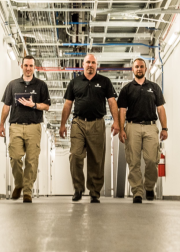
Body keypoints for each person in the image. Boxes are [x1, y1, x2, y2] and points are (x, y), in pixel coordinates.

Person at [59, 54, 119, 203]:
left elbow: (112, 102)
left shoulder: (104, 82)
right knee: (75, 155)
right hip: (78, 123)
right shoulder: (75, 82)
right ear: (83, 65)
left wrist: (116, 122)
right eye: (88, 62)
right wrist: (62, 124)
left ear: (96, 65)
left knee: (96, 160)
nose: (90, 65)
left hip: (97, 123)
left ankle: (94, 192)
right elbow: (68, 104)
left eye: (93, 62)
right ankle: (78, 188)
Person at [0, 55, 51, 203]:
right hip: (15, 126)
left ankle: (27, 191)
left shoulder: (41, 85)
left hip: (34, 127)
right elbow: (6, 106)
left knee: (31, 160)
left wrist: (33, 105)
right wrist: (1, 124)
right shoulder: (12, 85)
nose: (28, 68)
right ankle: (19, 183)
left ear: (34, 67)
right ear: (21, 66)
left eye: (31, 66)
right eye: (26, 65)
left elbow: (46, 106)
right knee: (15, 157)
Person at [117, 58, 168, 204]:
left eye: (141, 67)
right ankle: (137, 192)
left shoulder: (154, 87)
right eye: (136, 67)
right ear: (132, 70)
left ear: (145, 69)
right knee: (133, 161)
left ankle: (149, 186)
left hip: (151, 127)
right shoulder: (126, 89)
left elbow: (160, 109)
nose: (139, 69)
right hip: (132, 126)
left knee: (152, 160)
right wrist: (122, 129)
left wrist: (164, 128)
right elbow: (122, 110)